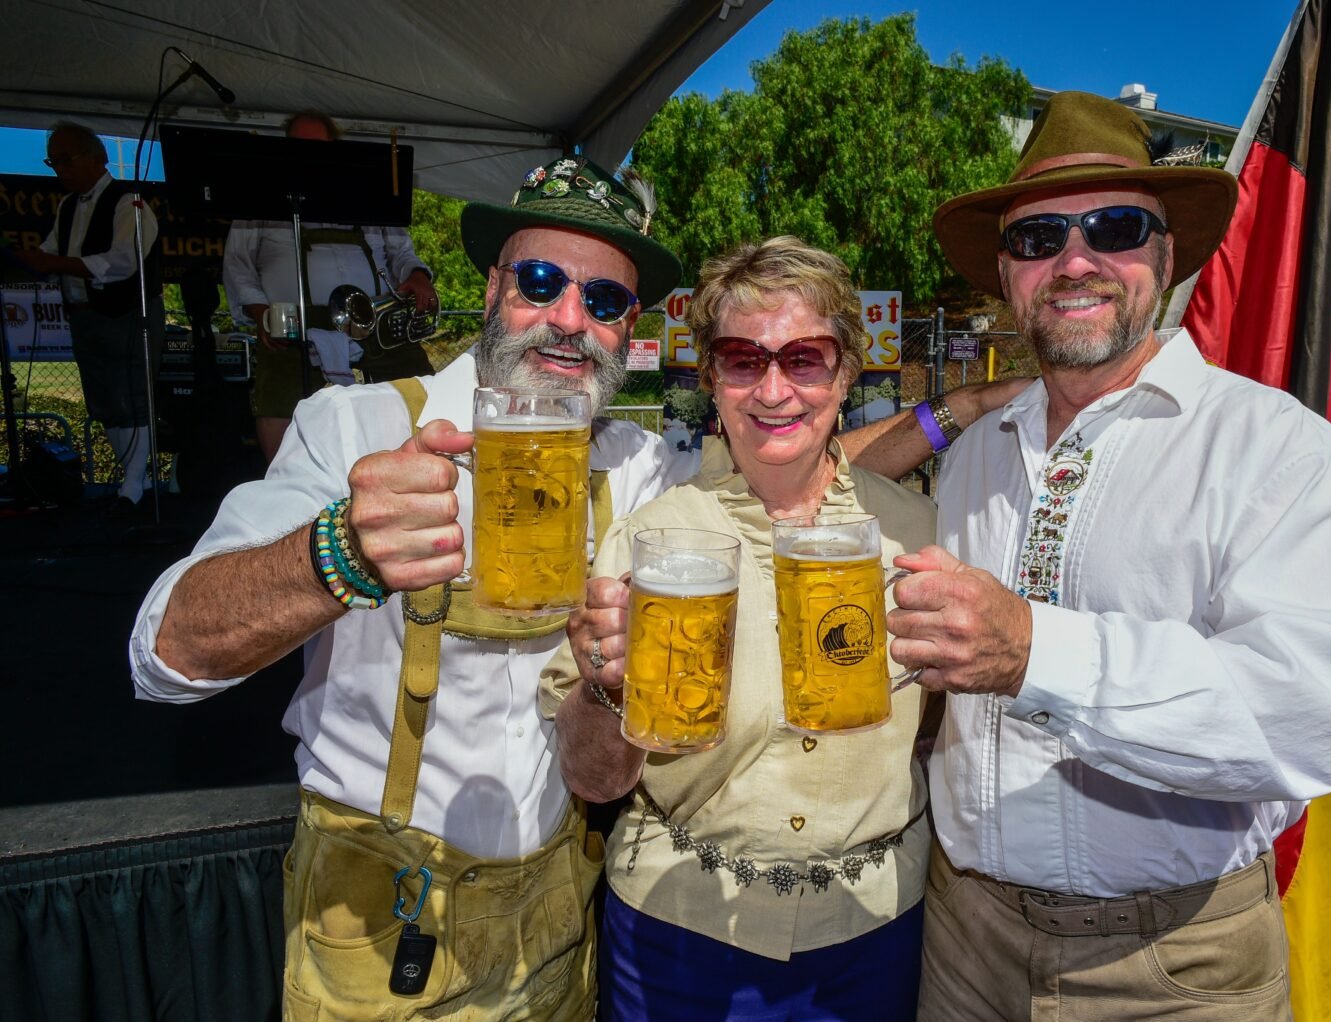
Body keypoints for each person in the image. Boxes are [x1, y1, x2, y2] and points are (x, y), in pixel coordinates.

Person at [130, 154, 1016, 1020]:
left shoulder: (634, 463)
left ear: (627, 329)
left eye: (603, 301)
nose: (568, 318)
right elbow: (167, 652)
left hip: (566, 916)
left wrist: (958, 412)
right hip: (385, 914)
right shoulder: (356, 425)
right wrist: (337, 554)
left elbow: (792, 457)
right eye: (542, 280)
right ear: (491, 290)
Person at [883, 91, 1331, 1021]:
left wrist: (1038, 652)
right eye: (1039, 240)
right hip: (962, 937)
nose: (1074, 261)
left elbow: (1312, 709)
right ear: (1008, 274)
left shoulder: (1269, 445)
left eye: (1115, 228)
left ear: (1165, 258)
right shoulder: (974, 459)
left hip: (1174, 963)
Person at [541, 236, 935, 1020]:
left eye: (806, 358)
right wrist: (606, 686)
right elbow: (592, 781)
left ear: (847, 371)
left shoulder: (918, 531)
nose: (775, 389)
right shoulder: (647, 542)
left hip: (873, 933)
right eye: (744, 360)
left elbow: (944, 726)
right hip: (678, 932)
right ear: (711, 378)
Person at [223, 109, 440, 462]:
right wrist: (259, 310)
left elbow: (401, 252)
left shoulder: (371, 191)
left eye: (318, 147)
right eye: (299, 146)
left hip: (375, 325)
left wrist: (417, 276)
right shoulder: (260, 197)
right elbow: (237, 264)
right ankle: (286, 497)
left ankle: (421, 470)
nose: (309, 155)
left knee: (417, 392)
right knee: (278, 400)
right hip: (293, 329)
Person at [19, 120, 164, 515]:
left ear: (97, 158)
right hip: (84, 315)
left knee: (130, 395)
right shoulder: (67, 206)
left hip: (127, 313)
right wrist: (38, 261)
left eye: (66, 159)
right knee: (103, 401)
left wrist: (57, 262)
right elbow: (52, 252)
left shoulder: (127, 201)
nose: (60, 170)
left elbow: (122, 262)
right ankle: (132, 477)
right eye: (54, 162)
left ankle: (133, 486)